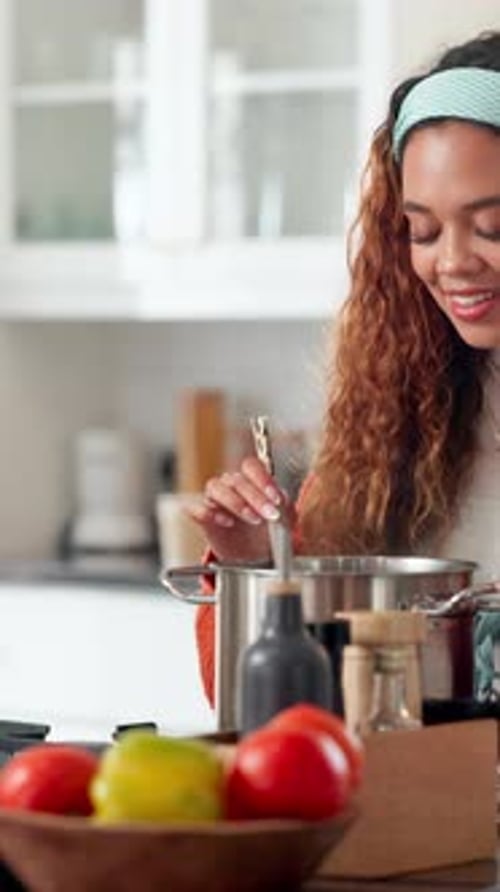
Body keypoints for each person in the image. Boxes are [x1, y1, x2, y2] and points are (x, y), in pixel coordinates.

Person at [189, 30, 500, 705]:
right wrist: (256, 564)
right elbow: (273, 709)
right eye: (421, 231)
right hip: (413, 803)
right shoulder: (396, 424)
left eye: (492, 226)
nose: (451, 263)